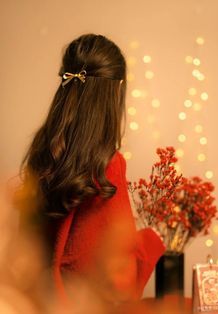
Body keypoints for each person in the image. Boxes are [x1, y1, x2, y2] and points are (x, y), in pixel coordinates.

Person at [18, 33, 165, 308]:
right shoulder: (108, 164)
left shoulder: (42, 152)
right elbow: (117, 279)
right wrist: (153, 240)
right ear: (115, 92)